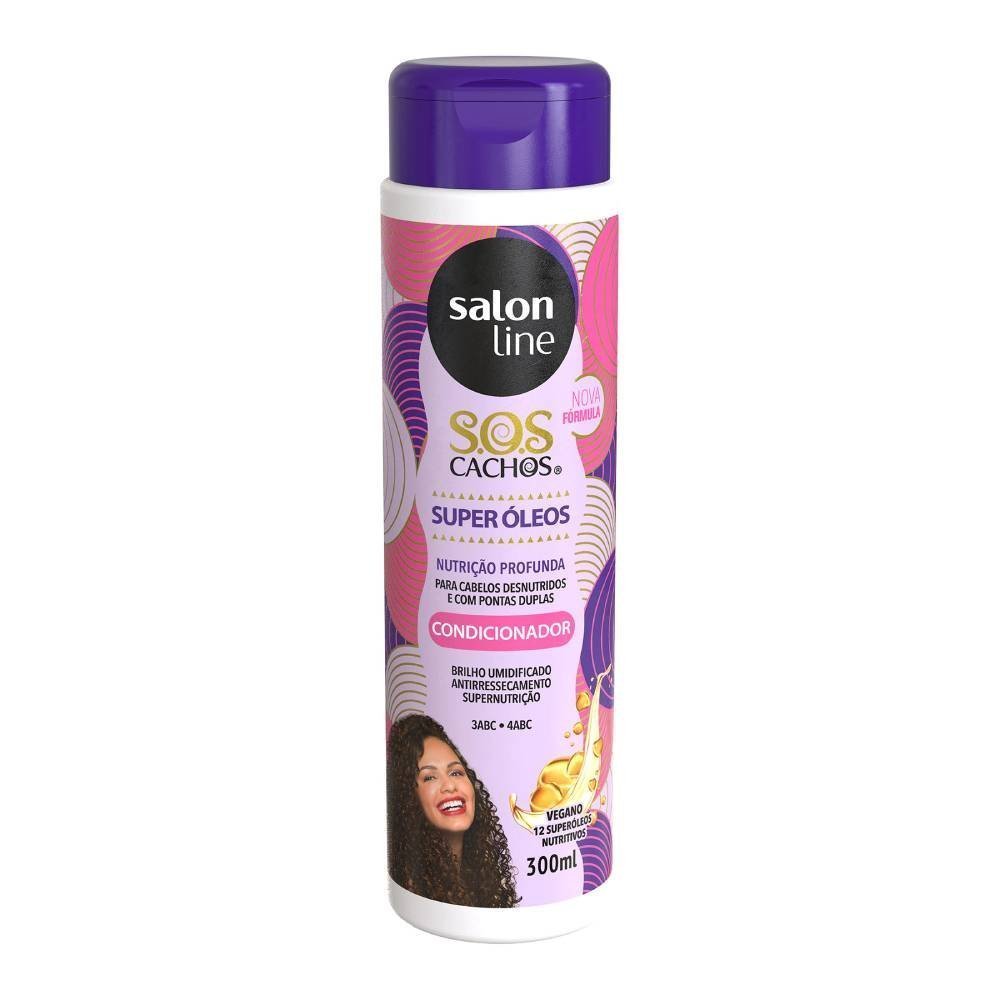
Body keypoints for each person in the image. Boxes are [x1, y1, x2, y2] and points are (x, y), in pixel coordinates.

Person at [387, 714, 519, 907]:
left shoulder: (479, 884)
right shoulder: (414, 891)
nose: (449, 785)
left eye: (456, 772)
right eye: (429, 777)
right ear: (408, 798)